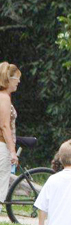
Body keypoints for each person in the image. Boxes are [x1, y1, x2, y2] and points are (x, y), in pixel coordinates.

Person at [0, 62, 20, 206]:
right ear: (9, 79)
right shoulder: (4, 98)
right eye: (17, 78)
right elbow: (5, 126)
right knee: (2, 180)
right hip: (2, 146)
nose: (18, 81)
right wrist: (12, 151)